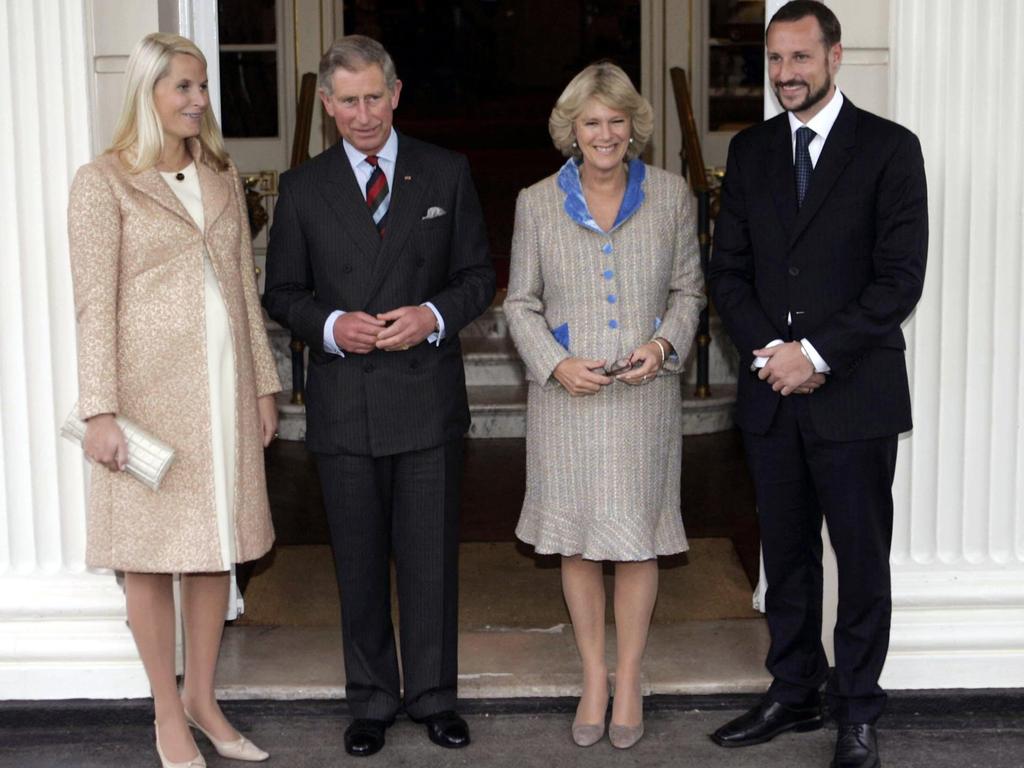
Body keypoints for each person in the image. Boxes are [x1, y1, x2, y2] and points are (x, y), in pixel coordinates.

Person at [707, 2, 928, 767]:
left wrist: (816, 354)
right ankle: (792, 690)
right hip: (773, 392)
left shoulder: (891, 150)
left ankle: (857, 708)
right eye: (774, 59)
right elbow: (727, 273)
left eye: (799, 58)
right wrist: (774, 352)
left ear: (836, 57)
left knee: (860, 560)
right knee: (787, 554)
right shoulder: (751, 152)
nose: (784, 74)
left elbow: (898, 281)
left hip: (854, 395)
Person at [262, 35, 495, 758]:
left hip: (426, 399)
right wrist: (332, 326)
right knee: (357, 563)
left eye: (374, 97)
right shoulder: (301, 187)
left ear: (396, 94)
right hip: (344, 404)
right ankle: (370, 700)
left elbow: (478, 276)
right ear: (327, 105)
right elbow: (282, 294)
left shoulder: (445, 172)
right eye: (348, 101)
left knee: (429, 561)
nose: (363, 114)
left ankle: (432, 697)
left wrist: (431, 316)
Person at [67, 33, 281, 768]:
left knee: (214, 551)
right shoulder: (104, 182)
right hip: (148, 396)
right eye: (181, 87)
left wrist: (262, 383)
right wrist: (100, 409)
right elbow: (94, 304)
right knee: (152, 558)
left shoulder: (220, 175)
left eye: (201, 87)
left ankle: (203, 697)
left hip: (222, 393)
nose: (196, 100)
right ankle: (167, 712)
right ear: (148, 93)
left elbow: (243, 294)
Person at [504, 62, 705, 750]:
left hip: (643, 400)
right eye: (591, 121)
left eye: (617, 120)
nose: (605, 133)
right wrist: (555, 363)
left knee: (638, 540)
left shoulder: (673, 196)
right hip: (569, 401)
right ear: (571, 129)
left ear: (633, 127)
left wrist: (663, 344)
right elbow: (519, 302)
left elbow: (689, 292)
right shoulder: (535, 202)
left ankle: (631, 673)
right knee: (579, 544)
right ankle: (594, 675)